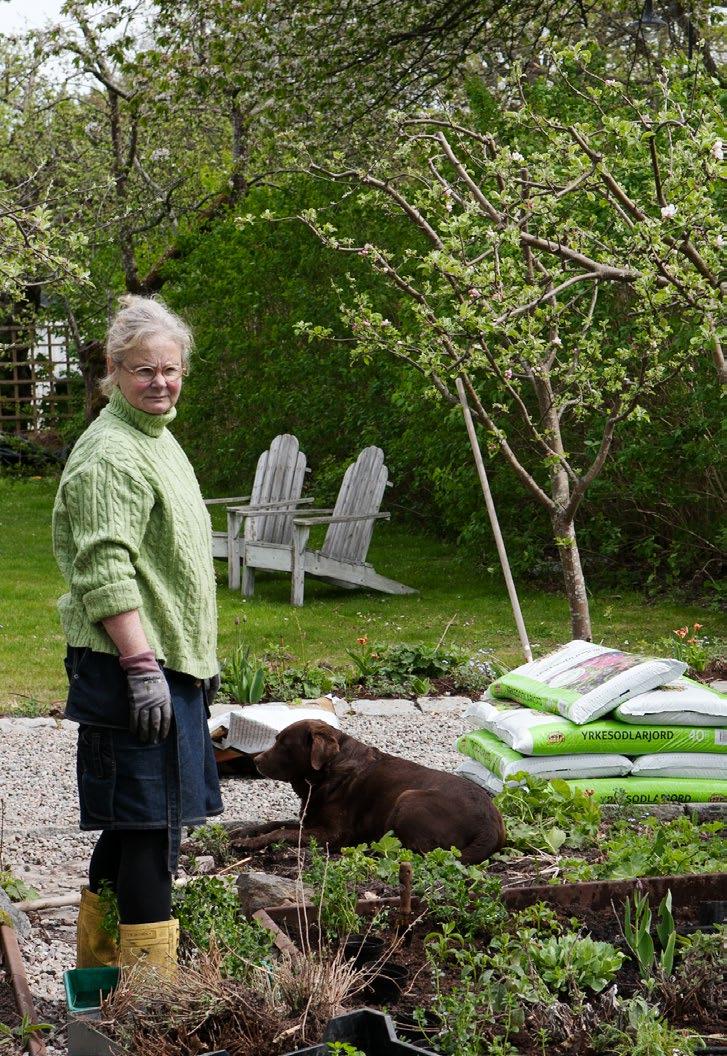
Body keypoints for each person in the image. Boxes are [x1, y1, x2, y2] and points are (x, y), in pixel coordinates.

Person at [52, 294, 223, 974]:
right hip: (129, 669)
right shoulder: (111, 455)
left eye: (170, 369)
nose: (159, 382)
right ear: (113, 372)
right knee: (152, 834)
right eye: (142, 370)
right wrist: (144, 667)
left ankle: (97, 980)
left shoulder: (156, 437)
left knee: (135, 825)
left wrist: (194, 660)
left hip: (161, 664)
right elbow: (105, 570)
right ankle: (155, 999)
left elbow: (168, 565)